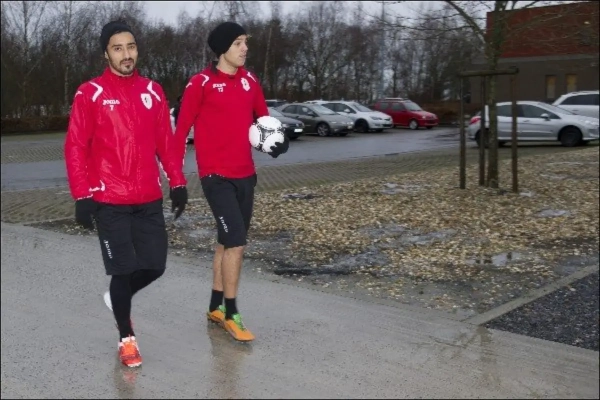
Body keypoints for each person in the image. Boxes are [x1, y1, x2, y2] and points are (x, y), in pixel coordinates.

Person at [64, 20, 189, 367]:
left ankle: (117, 298)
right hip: (108, 199)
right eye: (117, 48)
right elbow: (75, 146)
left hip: (148, 196)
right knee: (122, 270)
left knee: (155, 266)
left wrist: (177, 183)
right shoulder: (90, 93)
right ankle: (126, 337)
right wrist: (82, 195)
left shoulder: (153, 90)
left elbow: (166, 143)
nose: (126, 54)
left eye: (130, 47)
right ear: (106, 54)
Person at [173, 21, 289, 342]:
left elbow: (264, 122)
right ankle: (232, 314)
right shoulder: (200, 83)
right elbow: (180, 133)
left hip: (245, 175)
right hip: (215, 176)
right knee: (237, 242)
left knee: (226, 242)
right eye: (238, 43)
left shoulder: (251, 81)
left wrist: (275, 143)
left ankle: (215, 306)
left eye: (245, 42)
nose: (245, 48)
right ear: (223, 48)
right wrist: (177, 180)